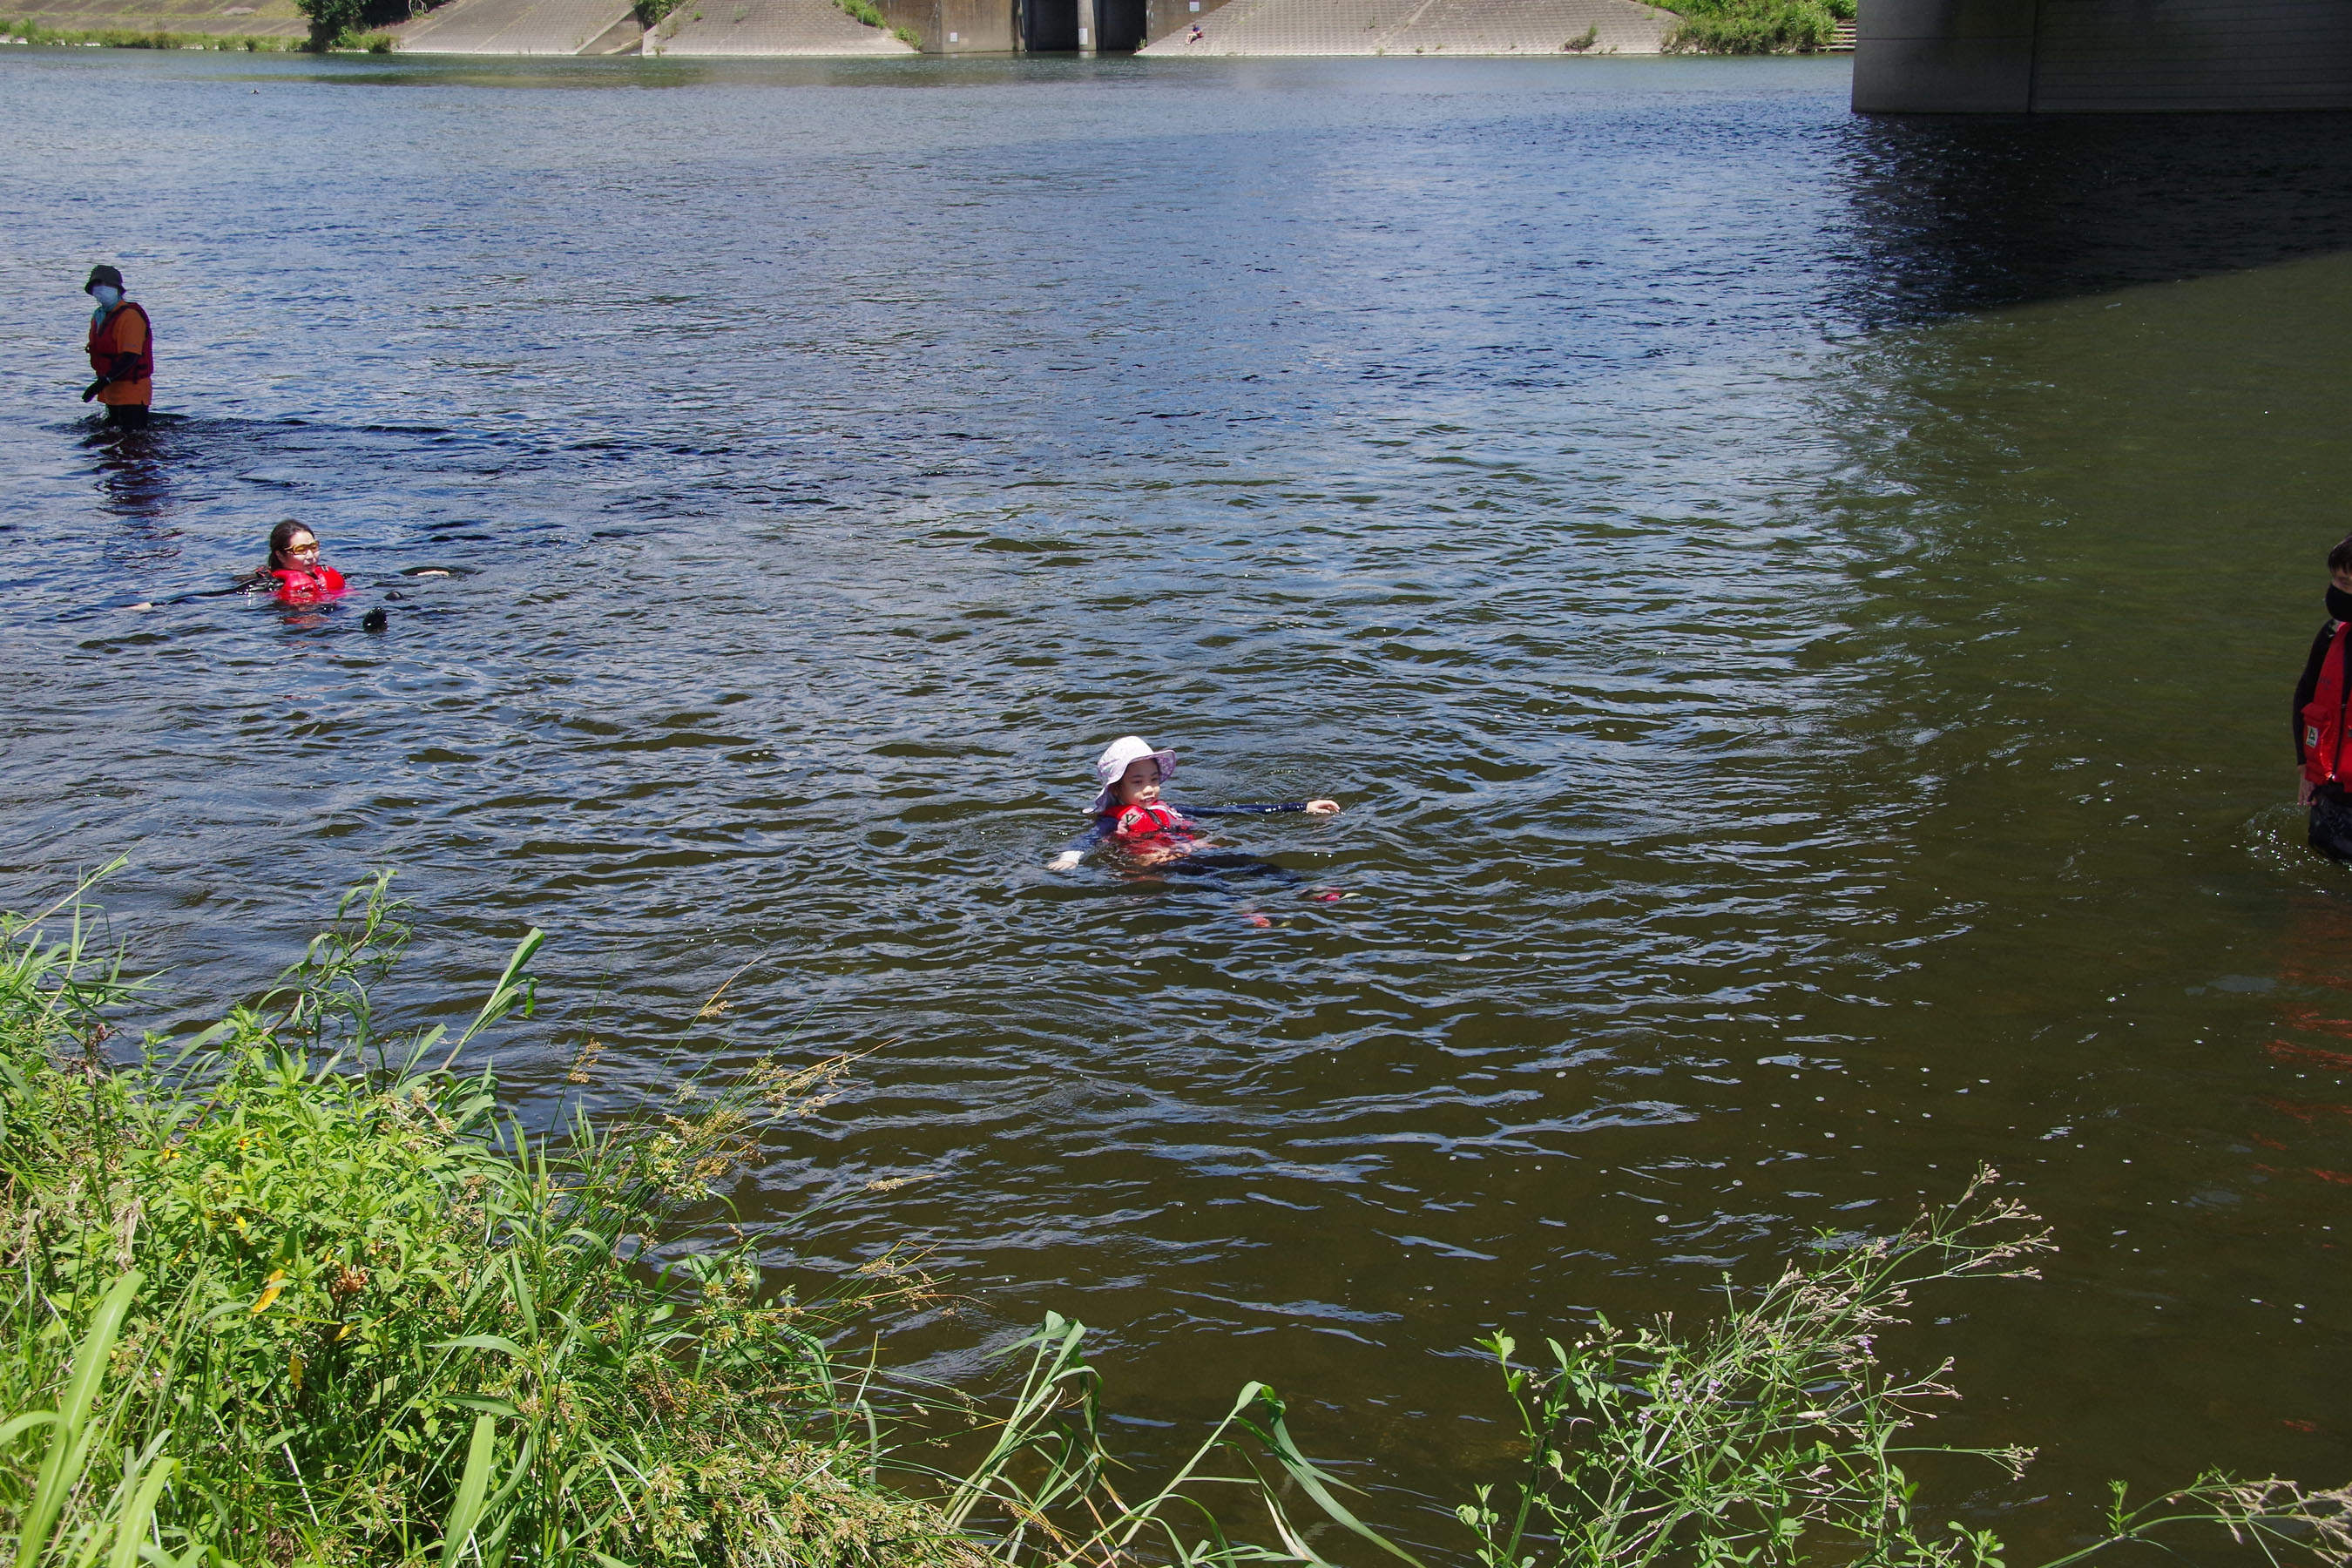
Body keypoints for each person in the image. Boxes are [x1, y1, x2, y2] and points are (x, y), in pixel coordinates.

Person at [1047, 734, 1339, 872]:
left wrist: (1300, 806)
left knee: (1256, 864)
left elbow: (1230, 810)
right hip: (1163, 860)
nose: (1149, 789)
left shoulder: (1171, 810)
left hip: (1191, 850)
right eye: (1137, 783)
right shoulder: (1114, 819)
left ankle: (1304, 890)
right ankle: (1249, 913)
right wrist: (1071, 856)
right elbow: (1090, 837)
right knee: (1213, 881)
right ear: (1117, 788)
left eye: (1153, 779)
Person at [2293, 533, 2352, 861]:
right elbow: (2304, 695)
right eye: (2334, 580)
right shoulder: (2332, 635)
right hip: (2330, 795)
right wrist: (2306, 767)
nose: (2334, 591)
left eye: (2344, 584)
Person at [81, 265, 152, 429]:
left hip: (132, 391)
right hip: (111, 391)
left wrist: (101, 382)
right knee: (112, 443)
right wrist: (103, 384)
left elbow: (131, 357)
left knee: (133, 442)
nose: (100, 290)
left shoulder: (130, 317)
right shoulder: (99, 316)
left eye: (106, 286)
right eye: (96, 287)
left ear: (118, 289)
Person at [248, 519, 348, 605]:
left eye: (313, 547)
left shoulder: (327, 576)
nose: (310, 556)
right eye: (300, 550)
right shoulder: (266, 587)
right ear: (280, 556)